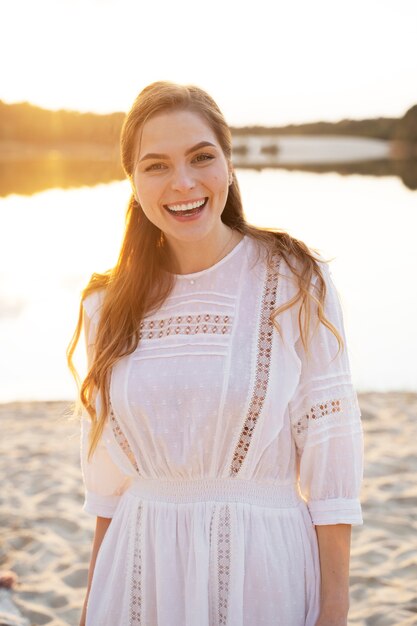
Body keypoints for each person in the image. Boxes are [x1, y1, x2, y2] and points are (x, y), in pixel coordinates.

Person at [67, 81, 364, 626]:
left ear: (228, 164)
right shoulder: (105, 304)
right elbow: (107, 492)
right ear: (132, 179)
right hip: (139, 565)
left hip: (261, 567)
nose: (183, 183)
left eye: (201, 157)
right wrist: (90, 608)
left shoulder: (295, 278)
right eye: (156, 165)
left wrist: (334, 611)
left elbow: (331, 468)